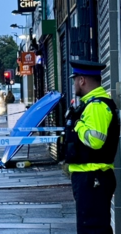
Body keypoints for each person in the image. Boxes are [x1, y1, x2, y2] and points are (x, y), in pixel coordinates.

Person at [64, 60, 120, 233]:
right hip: (90, 178)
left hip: (93, 178)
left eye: (75, 80)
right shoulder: (91, 104)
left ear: (82, 80)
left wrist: (78, 124)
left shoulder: (97, 106)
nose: (74, 84)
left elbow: (95, 140)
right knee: (93, 227)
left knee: (92, 229)